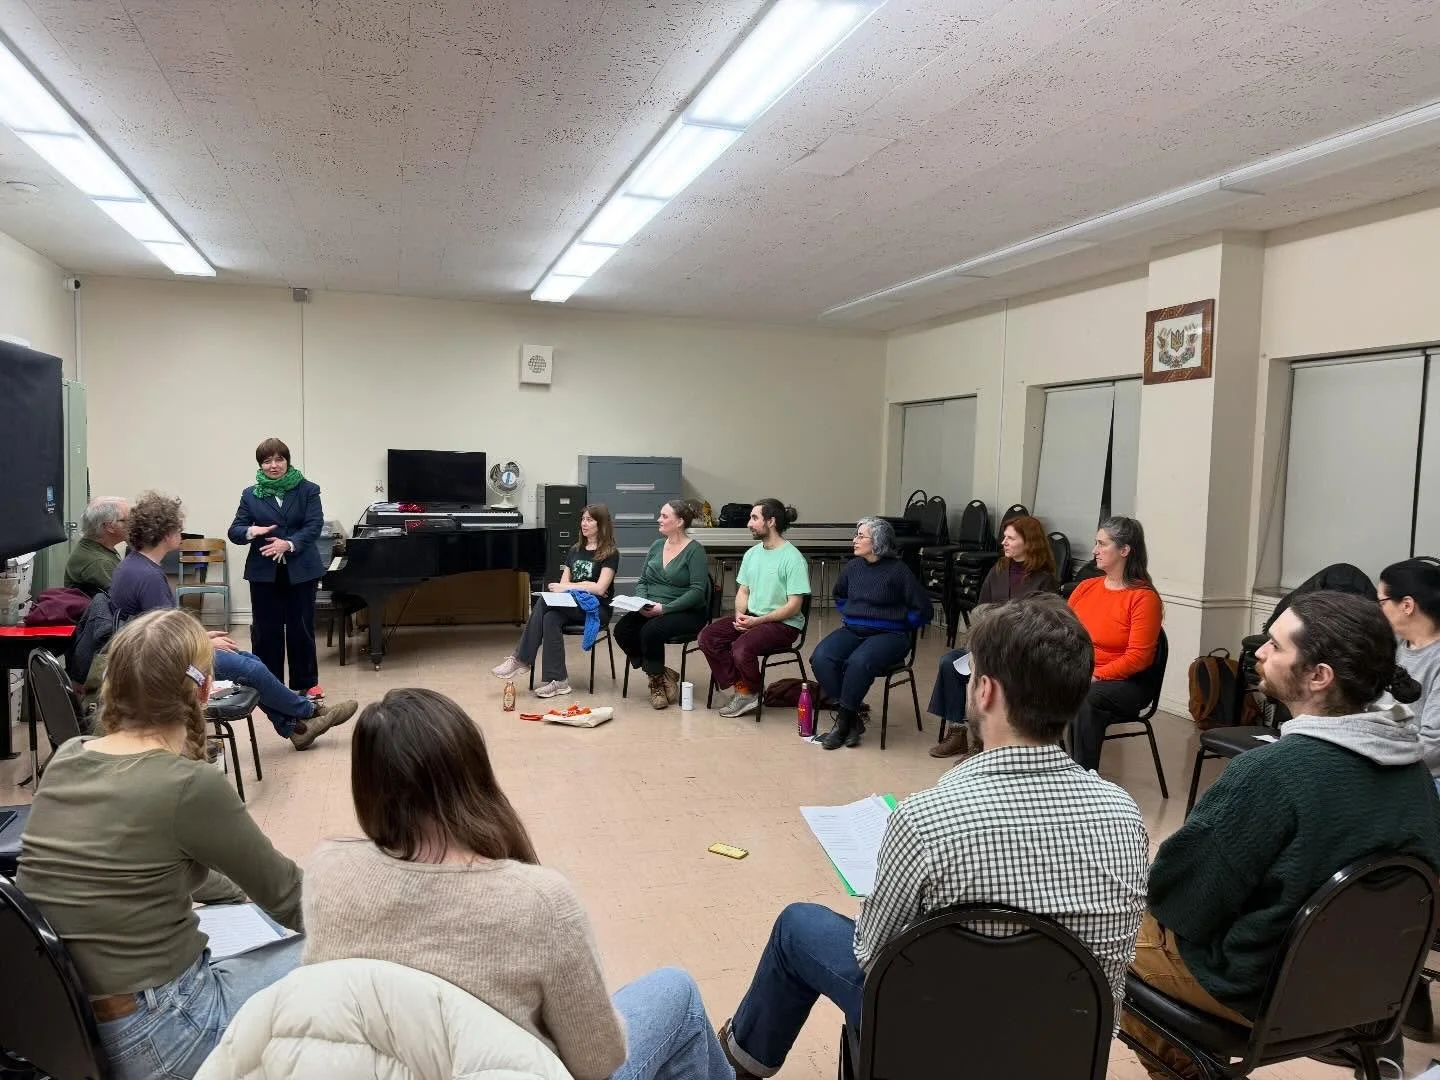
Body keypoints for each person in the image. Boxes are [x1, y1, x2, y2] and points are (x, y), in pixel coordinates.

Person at [717, 596, 1150, 1079]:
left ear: (985, 691)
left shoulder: (926, 820)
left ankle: (732, 1068)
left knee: (798, 925)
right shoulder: (1125, 817)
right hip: (1064, 1048)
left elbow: (872, 954)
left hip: (933, 1043)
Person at [300, 687, 736, 1080]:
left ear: (367, 785)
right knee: (676, 992)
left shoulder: (327, 870)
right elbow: (598, 1062)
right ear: (473, 776)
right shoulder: (540, 901)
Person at [1124, 591, 1440, 1080]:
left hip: (1262, 990)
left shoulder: (1271, 773)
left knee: (1107, 938)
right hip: (1366, 990)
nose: (1259, 653)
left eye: (1275, 645)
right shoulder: (1414, 772)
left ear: (1319, 676)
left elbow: (1179, 900)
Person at [16, 609, 305, 1080]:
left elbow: (152, 863)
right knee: (341, 957)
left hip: (66, 1028)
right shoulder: (188, 785)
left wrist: (231, 895)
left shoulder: (68, 758)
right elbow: (290, 896)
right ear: (204, 690)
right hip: (159, 1033)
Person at [111, 491, 356, 750]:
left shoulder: (136, 565)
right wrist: (201, 645)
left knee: (251, 661)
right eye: (178, 527)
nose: (182, 532)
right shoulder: (147, 576)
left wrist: (203, 637)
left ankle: (297, 728)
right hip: (161, 663)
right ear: (164, 533)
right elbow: (163, 641)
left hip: (154, 651)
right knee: (251, 670)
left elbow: (162, 628)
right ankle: (308, 713)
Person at [927, 514, 1059, 758]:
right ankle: (958, 732)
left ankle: (980, 741)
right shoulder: (998, 569)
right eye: (1004, 537)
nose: (1004, 543)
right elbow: (980, 608)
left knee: (983, 673)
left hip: (1020, 651)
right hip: (989, 642)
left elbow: (1041, 625)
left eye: (1010, 538)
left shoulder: (1045, 580)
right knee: (949, 663)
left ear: (1028, 542)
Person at [809, 517, 932, 750]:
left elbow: (923, 609)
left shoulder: (898, 571)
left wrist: (901, 625)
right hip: (853, 629)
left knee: (858, 662)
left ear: (877, 542)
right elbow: (840, 595)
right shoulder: (853, 567)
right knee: (821, 657)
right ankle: (852, 720)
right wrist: (854, 615)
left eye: (860, 536)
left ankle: (843, 725)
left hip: (891, 635)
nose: (854, 540)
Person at [227, 437, 326, 698]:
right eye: (267, 460)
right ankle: (267, 683)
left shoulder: (308, 489)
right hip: (264, 572)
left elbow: (313, 526)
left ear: (287, 460)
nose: (274, 465)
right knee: (265, 629)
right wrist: (251, 530)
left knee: (301, 627)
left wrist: (289, 544)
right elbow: (234, 531)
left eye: (279, 459)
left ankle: (306, 682)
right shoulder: (250, 494)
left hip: (301, 569)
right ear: (260, 465)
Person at [1064, 516, 1163, 772]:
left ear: (1124, 550)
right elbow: (1062, 633)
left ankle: (1082, 780)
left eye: (1102, 544)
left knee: (1087, 697)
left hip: (1128, 683)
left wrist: (1096, 676)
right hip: (1085, 672)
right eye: (1096, 543)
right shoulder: (1086, 587)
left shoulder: (1143, 598)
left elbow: (1138, 658)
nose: (1094, 551)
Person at [697, 498, 811, 718]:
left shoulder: (793, 558)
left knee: (741, 648)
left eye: (754, 518)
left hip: (783, 625)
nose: (749, 523)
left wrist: (758, 621)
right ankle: (744, 690)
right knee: (707, 637)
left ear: (771, 521)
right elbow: (744, 591)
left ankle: (751, 692)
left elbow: (795, 607)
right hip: (752, 617)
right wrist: (741, 615)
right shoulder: (752, 554)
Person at [492, 503, 620, 697]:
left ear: (601, 524)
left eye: (589, 520)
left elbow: (600, 588)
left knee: (544, 602)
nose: (584, 524)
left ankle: (521, 659)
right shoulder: (575, 550)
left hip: (595, 609)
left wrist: (574, 586)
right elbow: (563, 586)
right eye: (583, 519)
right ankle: (558, 680)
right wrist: (584, 585)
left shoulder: (610, 553)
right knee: (550, 617)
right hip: (572, 604)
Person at [613, 499, 710, 710]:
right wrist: (641, 602)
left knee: (650, 631)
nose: (659, 519)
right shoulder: (657, 546)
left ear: (680, 522)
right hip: (652, 606)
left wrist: (664, 609)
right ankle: (659, 672)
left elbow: (697, 592)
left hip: (686, 611)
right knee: (622, 630)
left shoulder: (695, 551)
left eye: (665, 516)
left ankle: (656, 684)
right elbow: (643, 581)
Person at [1378, 557, 1440, 789]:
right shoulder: (1395, 645)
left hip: (1423, 776)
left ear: (1407, 605)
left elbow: (1434, 747)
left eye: (1381, 602)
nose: (1378, 611)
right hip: (1391, 759)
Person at [63, 495, 130, 594]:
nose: (134, 523)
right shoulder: (100, 562)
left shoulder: (93, 547)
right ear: (109, 527)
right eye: (127, 520)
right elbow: (128, 599)